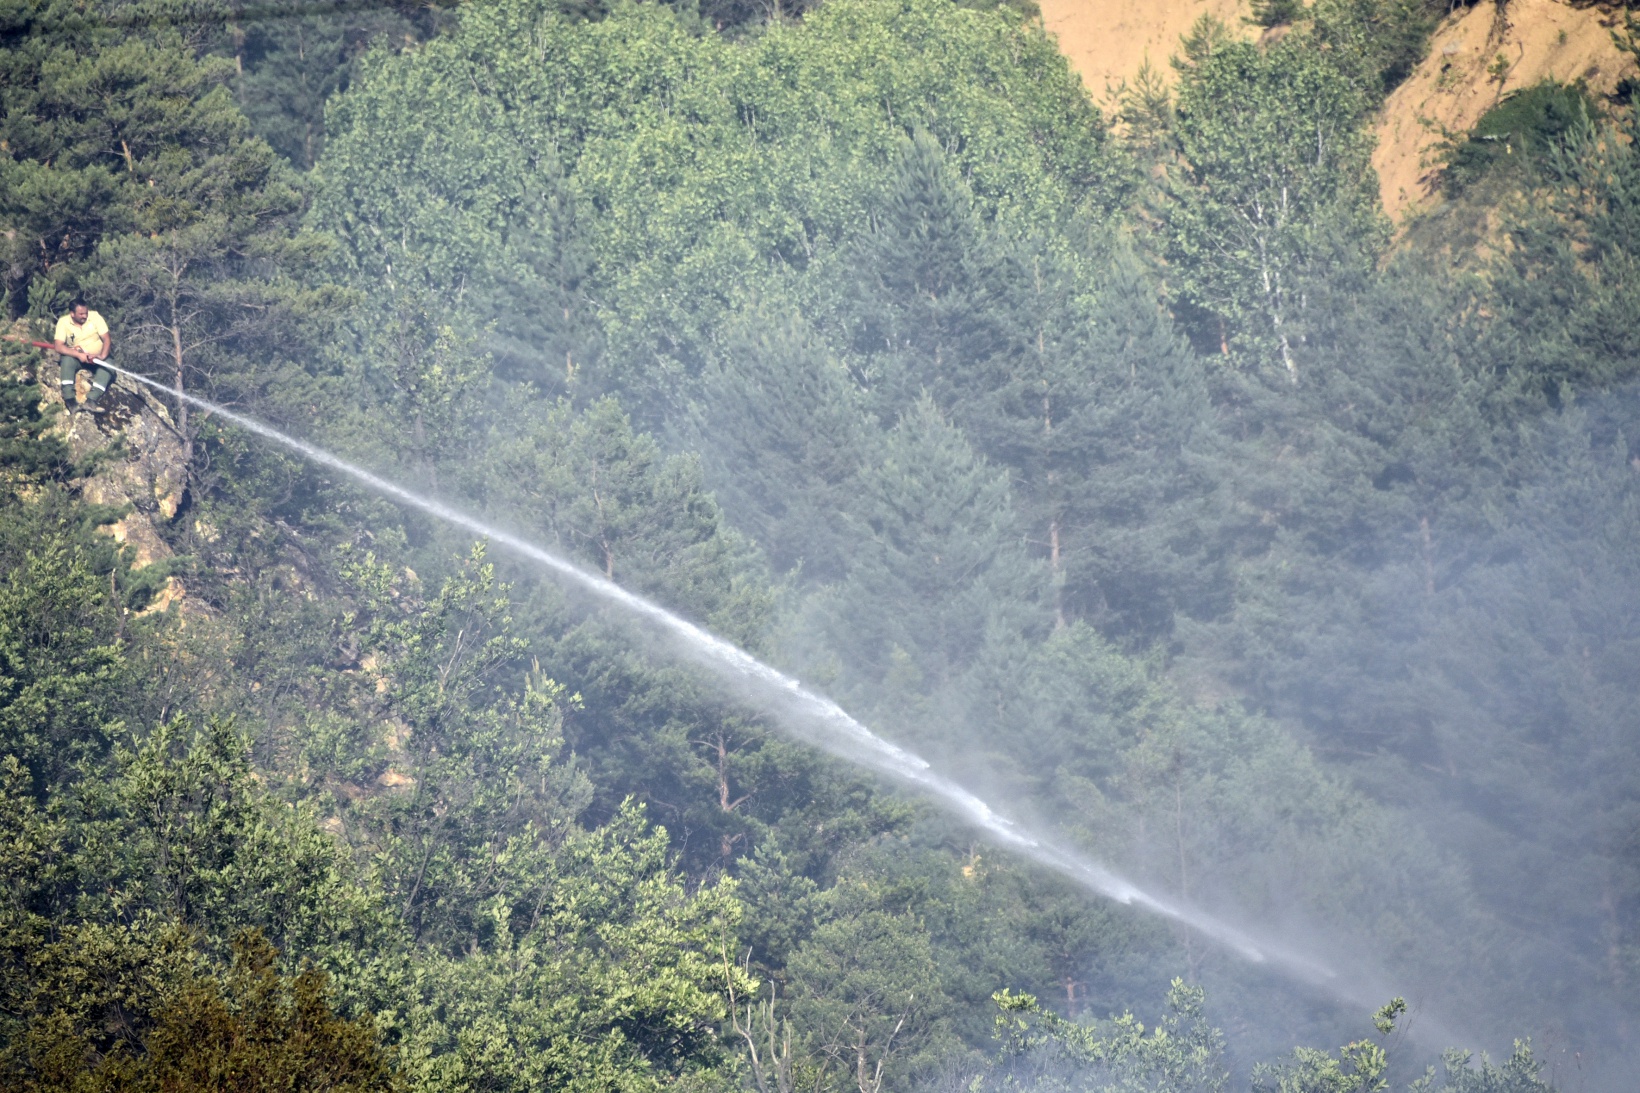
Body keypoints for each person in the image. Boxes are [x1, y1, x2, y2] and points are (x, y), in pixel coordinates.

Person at [53, 298, 113, 411]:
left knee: (109, 365)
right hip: (78, 358)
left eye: (86, 313)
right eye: (81, 314)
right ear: (72, 314)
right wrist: (77, 354)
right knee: (66, 360)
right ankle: (70, 400)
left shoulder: (95, 317)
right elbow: (58, 346)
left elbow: (107, 338)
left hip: (97, 358)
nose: (84, 316)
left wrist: (101, 356)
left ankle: (91, 400)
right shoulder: (63, 322)